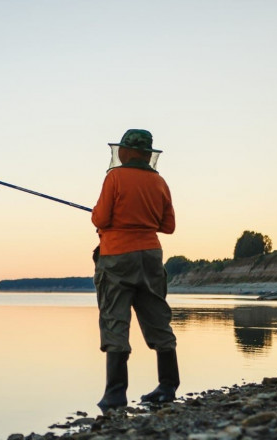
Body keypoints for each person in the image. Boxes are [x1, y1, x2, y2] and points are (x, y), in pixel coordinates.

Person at [91, 129, 179, 413]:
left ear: (125, 152)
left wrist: (100, 216)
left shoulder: (114, 177)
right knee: (157, 317)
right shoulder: (160, 182)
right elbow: (168, 227)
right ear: (148, 155)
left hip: (116, 256)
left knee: (116, 319)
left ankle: (116, 394)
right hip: (151, 257)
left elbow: (101, 217)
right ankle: (168, 386)